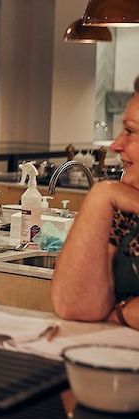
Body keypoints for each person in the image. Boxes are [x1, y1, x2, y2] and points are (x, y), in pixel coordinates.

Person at [53, 75, 139, 330]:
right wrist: (101, 197)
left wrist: (119, 313)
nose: (116, 145)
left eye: (131, 131)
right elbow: (74, 305)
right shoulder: (125, 209)